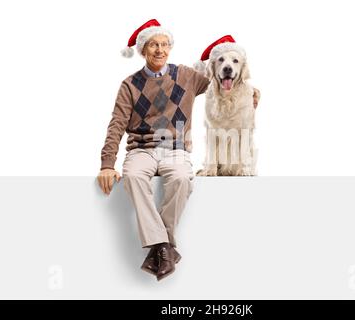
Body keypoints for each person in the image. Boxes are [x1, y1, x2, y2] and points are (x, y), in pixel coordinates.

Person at [97, 19, 259, 281]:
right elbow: (117, 123)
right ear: (142, 50)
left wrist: (252, 91)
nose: (159, 50)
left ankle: (158, 246)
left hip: (176, 150)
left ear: (170, 48)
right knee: (134, 177)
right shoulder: (130, 84)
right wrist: (107, 163)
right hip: (141, 150)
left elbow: (225, 82)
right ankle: (165, 246)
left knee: (183, 179)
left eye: (164, 44)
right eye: (153, 45)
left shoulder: (186, 76)